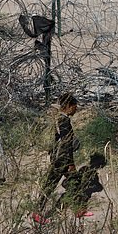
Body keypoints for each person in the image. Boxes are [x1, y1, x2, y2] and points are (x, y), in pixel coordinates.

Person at [34, 93, 80, 223]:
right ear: (69, 106)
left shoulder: (57, 119)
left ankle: (78, 210)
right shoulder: (64, 121)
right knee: (51, 185)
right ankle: (37, 212)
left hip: (57, 157)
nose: (76, 110)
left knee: (73, 183)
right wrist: (70, 163)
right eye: (75, 107)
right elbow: (66, 144)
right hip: (62, 159)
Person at [56, 152, 107, 218]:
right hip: (78, 187)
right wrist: (99, 187)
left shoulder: (85, 168)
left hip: (75, 186)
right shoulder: (91, 173)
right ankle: (78, 210)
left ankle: (71, 208)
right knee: (83, 195)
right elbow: (94, 184)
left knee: (74, 195)